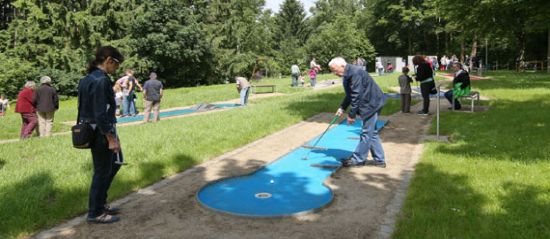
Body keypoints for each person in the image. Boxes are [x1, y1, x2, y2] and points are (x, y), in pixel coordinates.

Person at [78, 46, 124, 224]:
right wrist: (110, 138)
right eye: (117, 64)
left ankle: (101, 203)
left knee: (114, 164)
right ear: (108, 60)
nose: (117, 69)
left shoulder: (86, 79)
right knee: (102, 171)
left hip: (92, 130)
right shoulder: (101, 80)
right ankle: (95, 212)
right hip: (100, 132)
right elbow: (100, 113)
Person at [329, 57, 386, 168]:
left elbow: (356, 95)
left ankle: (358, 160)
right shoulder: (346, 74)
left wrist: (351, 114)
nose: (334, 73)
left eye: (334, 70)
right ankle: (380, 160)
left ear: (342, 65)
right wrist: (342, 108)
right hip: (370, 102)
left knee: (366, 132)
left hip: (372, 103)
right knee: (371, 132)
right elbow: (350, 94)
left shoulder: (355, 73)